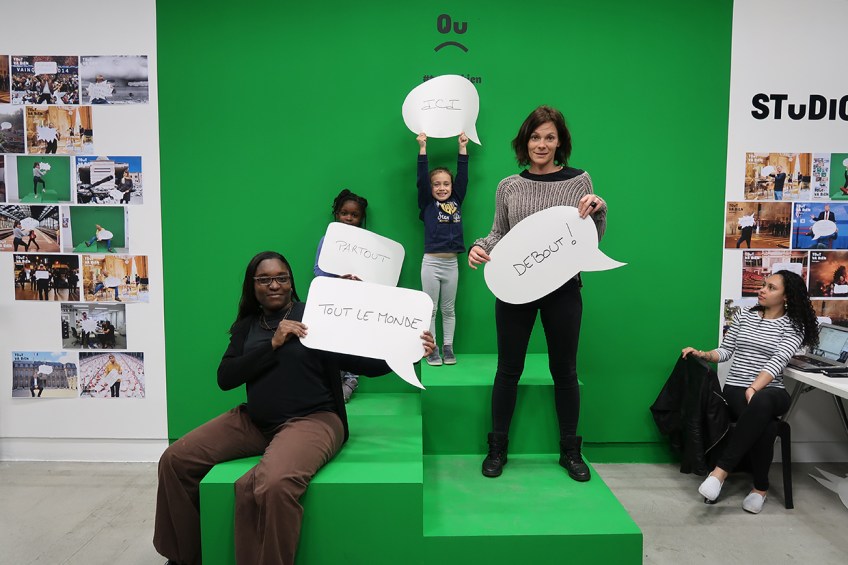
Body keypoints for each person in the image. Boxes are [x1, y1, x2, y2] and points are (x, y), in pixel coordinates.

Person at [153, 251, 435, 565]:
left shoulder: (315, 316)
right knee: (174, 460)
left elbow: (362, 362)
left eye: (281, 278)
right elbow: (226, 377)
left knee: (273, 484)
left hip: (313, 420)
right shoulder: (248, 326)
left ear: (291, 282)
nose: (274, 285)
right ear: (252, 286)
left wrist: (410, 351)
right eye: (264, 279)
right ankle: (184, 557)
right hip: (256, 421)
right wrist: (272, 344)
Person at [468, 106, 607, 482]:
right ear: (524, 142)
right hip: (516, 287)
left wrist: (599, 210)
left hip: (563, 289)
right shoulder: (509, 186)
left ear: (560, 142)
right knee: (508, 369)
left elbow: (590, 240)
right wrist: (479, 247)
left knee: (565, 371)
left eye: (549, 137)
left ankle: (570, 452)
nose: (541, 144)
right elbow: (498, 233)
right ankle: (497, 448)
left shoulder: (579, 182)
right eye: (535, 137)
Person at [682, 270, 818, 514]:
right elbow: (725, 351)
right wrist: (703, 354)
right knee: (767, 426)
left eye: (771, 287)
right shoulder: (744, 315)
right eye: (764, 285)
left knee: (763, 401)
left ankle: (719, 473)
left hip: (772, 391)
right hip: (736, 389)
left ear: (786, 296)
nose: (762, 289)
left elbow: (778, 360)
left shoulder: (793, 326)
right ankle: (760, 488)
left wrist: (754, 387)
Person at [416, 131, 469, 366]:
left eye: (446, 184)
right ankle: (432, 348)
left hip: (451, 264)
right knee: (431, 309)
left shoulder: (456, 200)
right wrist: (422, 149)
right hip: (431, 263)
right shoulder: (427, 203)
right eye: (436, 184)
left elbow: (463, 177)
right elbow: (421, 179)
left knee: (449, 309)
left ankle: (448, 347)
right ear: (430, 188)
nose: (441, 188)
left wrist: (462, 148)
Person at [313, 189, 369, 402]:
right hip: (333, 299)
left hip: (358, 300)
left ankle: (351, 379)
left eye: (354, 215)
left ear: (361, 218)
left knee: (354, 337)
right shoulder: (327, 240)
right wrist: (338, 278)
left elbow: (374, 272)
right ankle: (334, 378)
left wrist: (362, 280)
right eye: (344, 213)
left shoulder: (367, 243)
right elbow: (318, 270)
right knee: (333, 338)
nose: (349, 218)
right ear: (337, 214)